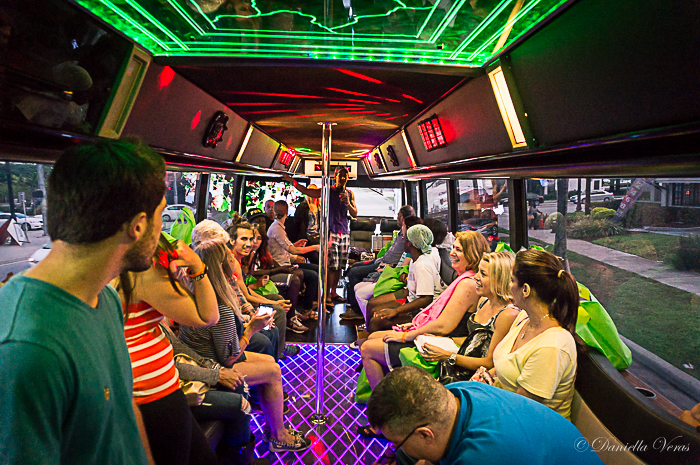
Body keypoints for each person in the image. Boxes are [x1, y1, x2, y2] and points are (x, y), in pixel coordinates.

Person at [0, 139, 164, 464]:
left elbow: (122, 408)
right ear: (138, 226)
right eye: (160, 215)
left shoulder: (105, 298)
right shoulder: (26, 349)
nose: (162, 230)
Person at [180, 239, 312, 453]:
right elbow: (229, 358)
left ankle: (272, 425)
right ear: (222, 266)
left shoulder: (200, 291)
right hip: (210, 364)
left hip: (206, 356)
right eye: (229, 256)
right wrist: (251, 328)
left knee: (269, 361)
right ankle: (278, 436)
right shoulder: (218, 305)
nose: (234, 258)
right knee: (273, 371)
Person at [116, 234, 220, 465]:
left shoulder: (111, 259)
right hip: (152, 395)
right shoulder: (140, 269)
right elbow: (208, 316)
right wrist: (197, 266)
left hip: (145, 389)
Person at [366, 367, 604, 465]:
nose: (396, 448)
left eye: (397, 443)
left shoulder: (482, 457)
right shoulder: (458, 391)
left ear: (426, 435)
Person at [358, 231, 489, 393]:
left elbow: (443, 326)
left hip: (444, 343)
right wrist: (412, 326)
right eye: (453, 248)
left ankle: (383, 401)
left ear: (472, 254)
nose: (452, 253)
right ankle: (392, 390)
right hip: (438, 336)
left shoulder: (468, 284)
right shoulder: (463, 278)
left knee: (367, 348)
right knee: (373, 336)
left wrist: (407, 335)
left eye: (459, 250)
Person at [490, 248, 579, 418]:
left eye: (512, 280)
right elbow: (505, 365)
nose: (509, 286)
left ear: (525, 290)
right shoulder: (524, 318)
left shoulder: (552, 347)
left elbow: (521, 413)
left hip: (533, 428)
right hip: (503, 408)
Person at [418, 251, 520, 380]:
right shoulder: (483, 301)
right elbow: (475, 341)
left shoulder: (507, 315)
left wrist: (448, 356)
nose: (476, 277)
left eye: (483, 274)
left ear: (499, 279)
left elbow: (490, 362)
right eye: (478, 272)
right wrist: (442, 339)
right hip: (461, 366)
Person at [283, 166, 357, 304]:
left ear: (347, 178)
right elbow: (307, 191)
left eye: (345, 176)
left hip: (345, 231)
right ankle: (327, 295)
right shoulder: (328, 191)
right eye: (340, 175)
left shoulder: (350, 194)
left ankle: (333, 292)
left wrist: (347, 203)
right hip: (331, 231)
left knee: (340, 265)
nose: (342, 178)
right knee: (331, 265)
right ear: (335, 176)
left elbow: (354, 214)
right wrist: (292, 181)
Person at [227, 220, 292, 359]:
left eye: (252, 239)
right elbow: (245, 295)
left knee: (277, 301)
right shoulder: (231, 261)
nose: (250, 243)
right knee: (278, 311)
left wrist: (274, 302)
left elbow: (245, 291)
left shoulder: (243, 258)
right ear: (232, 240)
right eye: (244, 239)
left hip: (243, 304)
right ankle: (276, 355)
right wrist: (271, 305)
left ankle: (277, 352)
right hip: (236, 311)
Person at [365, 224, 446, 333]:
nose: (402, 241)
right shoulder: (415, 260)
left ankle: (374, 341)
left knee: (376, 321)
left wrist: (396, 311)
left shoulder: (422, 266)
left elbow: (426, 299)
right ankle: (366, 337)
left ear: (410, 243)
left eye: (404, 239)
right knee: (374, 308)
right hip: (412, 300)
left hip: (424, 311)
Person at [340, 205, 415, 321]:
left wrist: (387, 265)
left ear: (402, 218)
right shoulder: (400, 232)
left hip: (387, 265)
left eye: (398, 216)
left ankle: (356, 310)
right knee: (354, 266)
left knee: (354, 272)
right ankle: (352, 302)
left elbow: (401, 263)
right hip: (381, 260)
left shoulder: (408, 238)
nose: (396, 218)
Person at [267, 199, 321, 319]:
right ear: (287, 212)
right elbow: (293, 250)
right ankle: (306, 309)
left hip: (285, 261)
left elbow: (285, 247)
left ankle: (310, 305)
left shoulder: (278, 227)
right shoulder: (277, 228)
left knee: (316, 269)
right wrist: (315, 247)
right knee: (313, 276)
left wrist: (296, 244)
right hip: (281, 265)